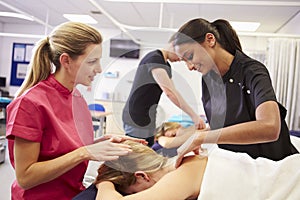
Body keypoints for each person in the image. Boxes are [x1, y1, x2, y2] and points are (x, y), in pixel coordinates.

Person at [6, 21, 144, 200]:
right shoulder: (30, 103)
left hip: (73, 193)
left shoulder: (75, 97)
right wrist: (85, 152)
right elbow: (25, 177)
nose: (99, 69)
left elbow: (60, 147)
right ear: (66, 61)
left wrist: (102, 143)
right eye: (92, 61)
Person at [168, 18, 298, 165]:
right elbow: (222, 123)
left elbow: (270, 127)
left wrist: (202, 138)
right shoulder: (208, 79)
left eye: (190, 57)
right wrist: (194, 136)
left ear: (210, 40)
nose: (189, 67)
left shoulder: (252, 71)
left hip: (272, 165)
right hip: (239, 164)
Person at [93, 140, 300, 200]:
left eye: (133, 193)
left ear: (141, 176)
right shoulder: (188, 160)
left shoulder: (180, 175)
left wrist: (103, 182)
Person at [122, 46, 206, 147]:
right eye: (181, 55)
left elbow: (174, 91)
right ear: (173, 45)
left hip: (148, 117)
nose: (180, 59)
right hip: (136, 118)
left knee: (148, 152)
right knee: (138, 155)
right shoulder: (154, 59)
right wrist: (193, 116)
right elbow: (170, 92)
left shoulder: (166, 65)